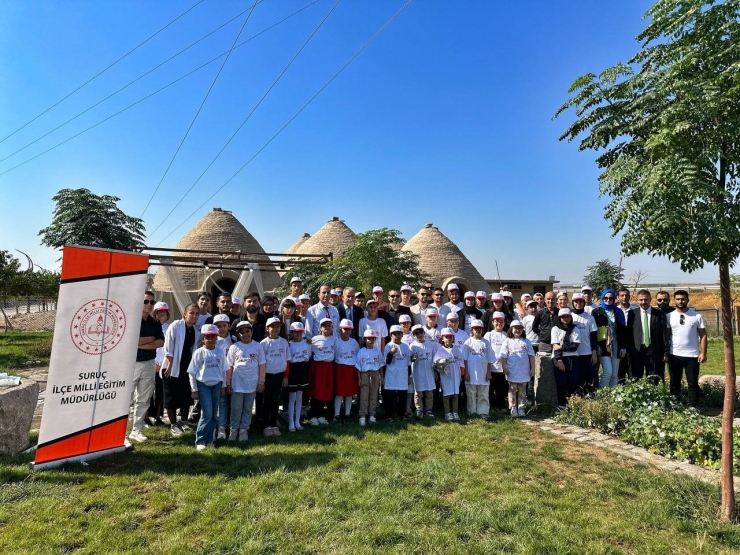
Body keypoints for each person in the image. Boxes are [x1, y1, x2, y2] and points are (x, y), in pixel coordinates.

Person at [128, 291, 165, 443]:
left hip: (149, 363)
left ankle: (137, 430)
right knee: (126, 398)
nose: (149, 305)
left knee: (144, 399)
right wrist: (149, 341)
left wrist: (140, 343)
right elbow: (130, 341)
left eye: (151, 302)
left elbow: (160, 342)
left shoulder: (154, 323)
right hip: (132, 363)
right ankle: (121, 433)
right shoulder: (131, 320)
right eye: (146, 302)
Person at [187, 324, 228, 450]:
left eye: (213, 337)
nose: (210, 339)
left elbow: (224, 370)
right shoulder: (199, 352)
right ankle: (200, 440)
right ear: (203, 339)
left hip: (216, 385)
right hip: (203, 385)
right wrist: (194, 389)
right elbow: (192, 372)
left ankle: (210, 439)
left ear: (216, 338)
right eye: (207, 337)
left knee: (214, 414)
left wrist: (223, 386)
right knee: (207, 413)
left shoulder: (220, 352)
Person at [162, 303, 201, 438]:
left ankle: (184, 422)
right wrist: (171, 364)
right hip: (171, 367)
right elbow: (168, 346)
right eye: (192, 313)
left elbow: (194, 350)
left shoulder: (196, 331)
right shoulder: (176, 325)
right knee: (171, 397)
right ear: (185, 314)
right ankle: (173, 424)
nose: (194, 316)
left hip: (186, 367)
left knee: (186, 396)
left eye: (197, 313)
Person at [226, 321, 265, 442]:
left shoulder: (258, 346)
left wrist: (261, 382)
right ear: (238, 334)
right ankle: (234, 430)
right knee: (236, 408)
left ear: (252, 332)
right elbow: (229, 366)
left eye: (247, 331)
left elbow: (262, 365)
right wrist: (228, 382)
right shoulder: (234, 347)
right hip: (237, 384)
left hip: (251, 384)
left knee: (248, 408)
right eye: (242, 332)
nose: (245, 334)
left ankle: (244, 430)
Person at [667, 290, 707, 406]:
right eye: (678, 299)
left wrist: (703, 353)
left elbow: (703, 335)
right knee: (674, 382)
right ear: (674, 300)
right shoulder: (669, 316)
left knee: (692, 382)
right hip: (674, 354)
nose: (680, 301)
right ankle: (675, 404)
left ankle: (692, 406)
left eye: (683, 299)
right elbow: (667, 336)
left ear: (687, 300)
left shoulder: (696, 316)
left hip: (692, 355)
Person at [628, 289, 669, 383]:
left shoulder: (659, 314)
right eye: (641, 300)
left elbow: (664, 334)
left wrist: (665, 351)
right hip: (637, 350)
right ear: (637, 300)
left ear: (650, 299)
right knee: (635, 377)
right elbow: (629, 333)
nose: (643, 302)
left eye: (646, 300)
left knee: (653, 377)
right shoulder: (632, 314)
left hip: (653, 350)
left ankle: (652, 396)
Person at [260, 317, 291, 437]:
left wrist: (285, 376)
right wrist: (262, 379)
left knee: (276, 401)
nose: (275, 329)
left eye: (278, 326)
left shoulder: (284, 342)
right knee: (266, 401)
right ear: (267, 329)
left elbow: (287, 360)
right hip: (268, 375)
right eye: (273, 326)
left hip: (279, 375)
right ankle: (266, 425)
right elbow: (261, 363)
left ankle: (274, 424)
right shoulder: (263, 343)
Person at [591, 289, 627, 388]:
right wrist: (596, 346)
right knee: (608, 371)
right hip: (603, 344)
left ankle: (612, 397)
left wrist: (623, 347)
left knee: (614, 374)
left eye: (611, 298)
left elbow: (623, 330)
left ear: (614, 299)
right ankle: (602, 395)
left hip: (616, 343)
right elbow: (593, 331)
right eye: (605, 298)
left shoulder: (618, 312)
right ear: (602, 298)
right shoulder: (596, 312)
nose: (608, 300)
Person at [500, 320, 535, 418]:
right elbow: (503, 356)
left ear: (522, 330)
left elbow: (531, 356)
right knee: (512, 390)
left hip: (524, 370)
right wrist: (504, 367)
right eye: (515, 328)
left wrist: (533, 368)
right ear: (511, 329)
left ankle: (521, 407)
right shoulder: (507, 341)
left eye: (520, 328)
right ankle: (513, 407)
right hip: (512, 371)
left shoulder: (526, 341)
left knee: (522, 390)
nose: (517, 330)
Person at [462, 319, 494, 418]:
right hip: (471, 372)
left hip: (483, 372)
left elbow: (489, 359)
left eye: (479, 328)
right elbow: (465, 360)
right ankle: (472, 412)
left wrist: (489, 373)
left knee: (483, 394)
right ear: (471, 329)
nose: (478, 330)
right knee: (471, 394)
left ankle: (483, 412)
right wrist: (466, 373)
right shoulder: (468, 342)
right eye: (475, 328)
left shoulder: (486, 343)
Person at [551, 308, 580, 409]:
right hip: (559, 358)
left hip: (573, 357)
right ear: (559, 318)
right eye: (563, 317)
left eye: (567, 316)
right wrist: (559, 360)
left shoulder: (575, 328)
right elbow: (555, 346)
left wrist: (562, 346)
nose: (565, 319)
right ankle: (561, 405)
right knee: (561, 382)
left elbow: (575, 346)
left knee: (572, 382)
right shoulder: (555, 329)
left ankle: (571, 405)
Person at [308, 318, 335, 425]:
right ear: (320, 328)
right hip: (318, 367)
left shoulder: (334, 339)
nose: (327, 328)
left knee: (325, 390)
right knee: (316, 390)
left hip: (328, 367)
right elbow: (308, 349)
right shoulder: (314, 339)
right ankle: (313, 415)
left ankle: (320, 415)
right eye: (325, 326)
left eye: (329, 325)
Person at [434, 327, 464, 421]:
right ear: (442, 338)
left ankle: (455, 412)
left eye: (450, 337)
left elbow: (461, 361)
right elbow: (435, 362)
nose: (448, 339)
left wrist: (461, 373)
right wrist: (441, 363)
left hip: (455, 374)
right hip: (446, 375)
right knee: (446, 394)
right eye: (446, 337)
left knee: (455, 393)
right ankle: (447, 412)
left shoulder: (456, 350)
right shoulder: (440, 350)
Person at [532, 291, 559, 398]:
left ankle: (555, 394)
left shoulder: (560, 312)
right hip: (544, 344)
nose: (550, 301)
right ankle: (541, 395)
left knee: (557, 366)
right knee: (542, 368)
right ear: (545, 300)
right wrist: (542, 335)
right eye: (548, 299)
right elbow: (534, 327)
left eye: (552, 299)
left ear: (556, 300)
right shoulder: (540, 313)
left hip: (557, 344)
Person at [571, 293, 599, 395]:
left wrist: (594, 352)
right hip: (574, 353)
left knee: (588, 378)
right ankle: (577, 399)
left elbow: (593, 336)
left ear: (584, 302)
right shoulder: (569, 317)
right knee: (576, 378)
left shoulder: (590, 318)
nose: (578, 303)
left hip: (587, 352)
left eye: (580, 301)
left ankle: (589, 399)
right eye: (576, 301)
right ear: (573, 303)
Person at [212, 314, 234, 440]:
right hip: (215, 375)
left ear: (229, 326)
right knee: (219, 402)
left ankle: (224, 426)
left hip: (231, 376)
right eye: (218, 326)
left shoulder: (234, 339)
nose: (221, 328)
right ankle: (217, 426)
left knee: (227, 402)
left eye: (224, 326)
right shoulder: (211, 340)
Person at [148, 301, 170, 427]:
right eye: (159, 311)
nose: (162, 313)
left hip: (164, 364)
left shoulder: (169, 327)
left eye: (164, 311)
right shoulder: (151, 326)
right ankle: (148, 417)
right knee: (149, 392)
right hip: (152, 362)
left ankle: (158, 416)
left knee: (161, 392)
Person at [383, 325, 411, 421]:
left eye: (399, 334)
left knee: (402, 396)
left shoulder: (406, 347)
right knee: (390, 397)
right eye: (395, 334)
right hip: (391, 374)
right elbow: (386, 362)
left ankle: (401, 415)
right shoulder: (388, 346)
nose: (397, 336)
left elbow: (408, 362)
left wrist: (408, 375)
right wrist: (391, 353)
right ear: (391, 335)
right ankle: (389, 416)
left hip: (402, 375)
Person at [356, 329, 383, 426]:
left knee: (373, 396)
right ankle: (362, 415)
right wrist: (359, 378)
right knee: (364, 396)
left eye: (372, 338)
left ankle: (372, 414)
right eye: (368, 338)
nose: (370, 340)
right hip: (364, 374)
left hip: (375, 374)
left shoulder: (377, 351)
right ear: (365, 339)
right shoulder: (361, 351)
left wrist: (381, 378)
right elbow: (358, 366)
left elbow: (380, 365)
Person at [286, 322, 310, 432]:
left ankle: (297, 421)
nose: (298, 334)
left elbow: (308, 357)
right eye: (296, 332)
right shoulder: (289, 344)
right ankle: (291, 422)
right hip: (293, 370)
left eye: (300, 332)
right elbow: (288, 359)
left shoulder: (306, 343)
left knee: (300, 396)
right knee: (292, 398)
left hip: (302, 369)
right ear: (291, 333)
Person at [334, 319, 360, 422]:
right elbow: (335, 355)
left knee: (349, 393)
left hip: (351, 369)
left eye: (349, 330)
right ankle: (336, 414)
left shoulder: (353, 342)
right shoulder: (337, 342)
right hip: (340, 369)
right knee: (339, 392)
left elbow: (357, 355)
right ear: (340, 330)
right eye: (345, 329)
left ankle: (347, 414)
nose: (347, 332)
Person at [484, 312, 508, 413]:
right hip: (491, 367)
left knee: (501, 389)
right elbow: (485, 350)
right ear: (493, 322)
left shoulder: (506, 335)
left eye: (501, 321)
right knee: (490, 389)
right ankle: (492, 406)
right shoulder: (489, 334)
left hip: (502, 367)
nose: (499, 323)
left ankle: (501, 405)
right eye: (497, 321)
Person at [410, 324, 436, 417]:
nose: (419, 334)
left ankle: (429, 410)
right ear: (414, 335)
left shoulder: (430, 344)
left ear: (424, 333)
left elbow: (434, 357)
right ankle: (419, 409)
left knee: (429, 392)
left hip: (429, 371)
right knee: (418, 392)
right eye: (417, 333)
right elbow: (410, 361)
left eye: (421, 332)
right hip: (418, 372)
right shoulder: (412, 346)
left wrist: (435, 370)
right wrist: (413, 358)